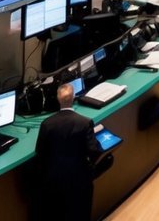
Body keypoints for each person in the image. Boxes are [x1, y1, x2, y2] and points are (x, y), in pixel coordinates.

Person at [34, 83, 104, 221]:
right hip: (80, 179)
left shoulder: (47, 124)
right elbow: (94, 151)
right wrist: (89, 167)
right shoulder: (84, 122)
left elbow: (40, 152)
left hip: (53, 180)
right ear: (74, 97)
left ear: (57, 99)